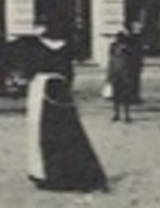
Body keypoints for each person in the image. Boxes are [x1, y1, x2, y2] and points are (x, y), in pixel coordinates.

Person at [23, 23, 107, 192]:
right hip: (60, 88)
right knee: (69, 130)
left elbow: (29, 68)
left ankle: (49, 174)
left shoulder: (36, 47)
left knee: (41, 129)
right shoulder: (66, 48)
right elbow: (69, 73)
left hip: (41, 88)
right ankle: (77, 173)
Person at [105, 29, 138, 123]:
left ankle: (126, 115)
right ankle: (117, 114)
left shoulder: (128, 48)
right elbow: (111, 61)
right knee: (116, 96)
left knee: (125, 97)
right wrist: (109, 76)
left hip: (124, 75)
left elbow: (132, 62)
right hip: (117, 74)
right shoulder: (113, 47)